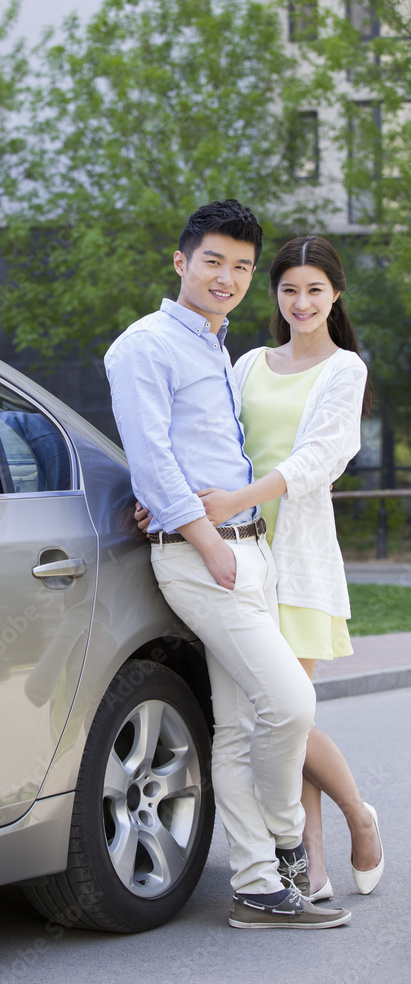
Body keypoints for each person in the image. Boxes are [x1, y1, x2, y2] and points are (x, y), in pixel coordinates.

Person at [104, 199, 351, 929]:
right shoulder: (144, 345)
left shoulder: (214, 345)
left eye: (242, 267)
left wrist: (223, 533)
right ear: (181, 262)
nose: (228, 277)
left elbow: (186, 457)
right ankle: (285, 839)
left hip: (253, 549)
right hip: (205, 558)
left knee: (242, 728)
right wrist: (205, 542)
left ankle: (255, 887)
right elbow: (151, 457)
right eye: (212, 261)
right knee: (291, 705)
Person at [183, 235, 383, 900]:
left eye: (314, 291)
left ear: (334, 296)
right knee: (277, 718)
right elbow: (209, 440)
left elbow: (320, 458)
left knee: (287, 716)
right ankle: (315, 850)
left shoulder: (343, 369)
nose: (301, 302)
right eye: (289, 289)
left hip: (294, 556)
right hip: (233, 555)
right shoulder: (245, 364)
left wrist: (238, 498)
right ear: (273, 295)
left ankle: (345, 830)